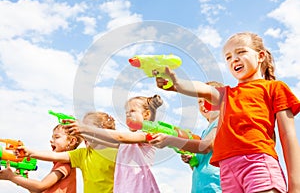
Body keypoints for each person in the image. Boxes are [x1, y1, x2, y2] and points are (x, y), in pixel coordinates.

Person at [153, 32, 300, 193]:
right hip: (227, 171)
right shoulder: (225, 95)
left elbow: (288, 137)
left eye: (241, 52)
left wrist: (295, 186)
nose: (234, 59)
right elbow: (202, 89)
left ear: (261, 56)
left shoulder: (275, 88)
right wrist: (176, 83)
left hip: (257, 163)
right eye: (228, 57)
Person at [64, 95, 163, 193]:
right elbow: (105, 141)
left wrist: (84, 128)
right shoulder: (127, 145)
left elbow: (119, 137)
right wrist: (80, 131)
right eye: (126, 112)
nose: (128, 114)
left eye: (132, 111)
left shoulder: (146, 136)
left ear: (146, 114)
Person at [149, 81, 223, 193]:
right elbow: (201, 164)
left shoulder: (221, 123)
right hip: (201, 188)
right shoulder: (205, 132)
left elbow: (206, 146)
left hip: (217, 187)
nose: (203, 104)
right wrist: (192, 161)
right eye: (200, 101)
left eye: (207, 99)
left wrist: (171, 140)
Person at [18, 111, 118, 193]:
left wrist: (12, 177)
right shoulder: (82, 154)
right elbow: (53, 156)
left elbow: (40, 187)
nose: (83, 133)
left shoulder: (117, 152)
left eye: (87, 129)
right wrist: (29, 152)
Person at [0, 124, 82, 193]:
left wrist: (11, 177)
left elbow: (39, 187)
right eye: (52, 137)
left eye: (57, 137)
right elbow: (38, 190)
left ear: (71, 142)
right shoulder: (59, 164)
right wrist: (21, 179)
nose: (51, 140)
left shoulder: (65, 165)